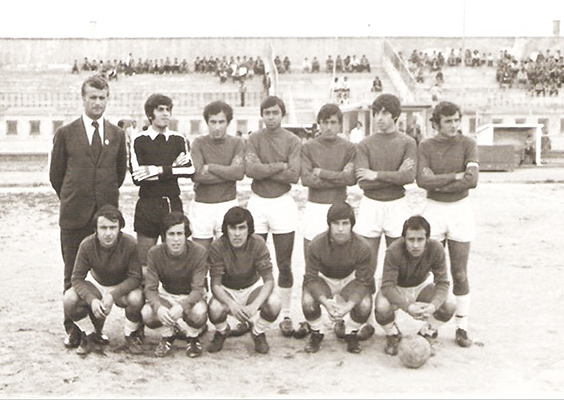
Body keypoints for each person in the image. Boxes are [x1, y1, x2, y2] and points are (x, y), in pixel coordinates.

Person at [50, 74, 127, 349]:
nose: (97, 102)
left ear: (107, 99)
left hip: (104, 218)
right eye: (92, 97)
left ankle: (96, 330)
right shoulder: (66, 133)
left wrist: (103, 205)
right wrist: (74, 198)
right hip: (74, 216)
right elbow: (56, 175)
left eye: (102, 97)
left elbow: (119, 174)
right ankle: (74, 330)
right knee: (73, 274)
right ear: (83, 99)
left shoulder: (116, 134)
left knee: (100, 275)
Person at [416, 101, 479, 348]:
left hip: (460, 209)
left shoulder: (468, 144)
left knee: (459, 272)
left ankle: (462, 326)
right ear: (436, 123)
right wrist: (454, 177)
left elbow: (471, 180)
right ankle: (431, 325)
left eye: (456, 120)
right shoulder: (426, 146)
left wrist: (439, 182)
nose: (454, 125)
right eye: (448, 121)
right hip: (433, 209)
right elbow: (423, 181)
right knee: (431, 271)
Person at [245, 95, 301, 337]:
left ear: (282, 114)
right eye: (267, 113)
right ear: (262, 115)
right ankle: (250, 313)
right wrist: (280, 165)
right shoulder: (254, 138)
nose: (271, 117)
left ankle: (286, 314)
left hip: (282, 203)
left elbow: (294, 175)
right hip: (257, 203)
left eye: (275, 113)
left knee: (284, 263)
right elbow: (250, 170)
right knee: (252, 262)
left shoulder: (293, 140)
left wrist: (265, 170)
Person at [63, 205, 144, 356]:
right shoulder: (87, 245)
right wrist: (92, 299)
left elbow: (135, 277)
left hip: (121, 287)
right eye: (103, 228)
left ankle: (130, 334)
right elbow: (77, 278)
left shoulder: (130, 243)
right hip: (97, 284)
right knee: (69, 298)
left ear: (120, 228)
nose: (108, 233)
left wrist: (113, 295)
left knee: (136, 298)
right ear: (95, 229)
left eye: (113, 227)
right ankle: (89, 335)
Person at [130, 94, 195, 275]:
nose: (166, 114)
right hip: (147, 204)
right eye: (160, 110)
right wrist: (173, 167)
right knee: (145, 264)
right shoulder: (139, 140)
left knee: (175, 260)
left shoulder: (178, 139)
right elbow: (137, 177)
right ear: (150, 114)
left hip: (172, 203)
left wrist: (157, 170)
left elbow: (189, 171)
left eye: (168, 110)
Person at [375, 216, 456, 356]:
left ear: (427, 239)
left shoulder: (436, 248)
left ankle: (427, 332)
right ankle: (393, 334)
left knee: (450, 303)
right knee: (382, 306)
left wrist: (433, 306)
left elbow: (443, 283)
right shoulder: (394, 250)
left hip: (421, 285)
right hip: (397, 287)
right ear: (403, 239)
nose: (415, 245)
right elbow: (387, 286)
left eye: (420, 239)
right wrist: (408, 307)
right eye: (411, 239)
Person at [354, 94, 417, 273]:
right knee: (366, 263)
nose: (379, 118)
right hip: (370, 204)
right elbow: (363, 182)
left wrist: (376, 175)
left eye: (384, 113)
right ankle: (367, 293)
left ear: (395, 115)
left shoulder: (408, 143)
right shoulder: (364, 144)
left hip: (397, 204)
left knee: (398, 262)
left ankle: (391, 292)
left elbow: (409, 177)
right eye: (376, 113)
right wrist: (396, 174)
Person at [301, 202, 375, 354]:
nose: (340, 228)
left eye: (345, 223)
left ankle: (351, 332)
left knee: (365, 304)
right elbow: (310, 278)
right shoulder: (316, 244)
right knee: (308, 301)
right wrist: (325, 302)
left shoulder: (363, 246)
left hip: (349, 279)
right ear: (329, 224)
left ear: (352, 224)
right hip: (324, 278)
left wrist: (348, 306)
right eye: (336, 223)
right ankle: (317, 332)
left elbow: (363, 281)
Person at [207, 207, 281, 354]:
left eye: (242, 228)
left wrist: (254, 305)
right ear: (226, 229)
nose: (237, 233)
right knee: (214, 308)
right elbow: (215, 285)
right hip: (228, 289)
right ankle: (222, 331)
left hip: (251, 287)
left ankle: (257, 332)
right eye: (232, 228)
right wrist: (232, 304)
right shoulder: (217, 246)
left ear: (249, 229)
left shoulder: (258, 243)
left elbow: (269, 280)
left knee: (274, 302)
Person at [141, 212, 208, 358]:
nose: (176, 239)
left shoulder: (199, 252)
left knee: (199, 312)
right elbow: (150, 289)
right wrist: (159, 308)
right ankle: (168, 335)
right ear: (164, 236)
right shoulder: (154, 253)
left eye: (180, 234)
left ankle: (193, 337)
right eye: (171, 234)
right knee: (147, 313)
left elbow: (198, 290)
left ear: (186, 235)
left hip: (190, 295)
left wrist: (182, 307)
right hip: (167, 293)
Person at [189, 100, 245, 253]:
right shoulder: (198, 142)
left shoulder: (237, 143)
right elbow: (196, 175)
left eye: (221, 122)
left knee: (229, 256)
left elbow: (238, 173)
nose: (217, 127)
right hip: (202, 205)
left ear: (228, 123)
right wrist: (228, 173)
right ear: (207, 123)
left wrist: (211, 167)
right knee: (200, 255)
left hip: (228, 203)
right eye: (213, 122)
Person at [300, 104, 356, 259]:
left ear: (340, 124)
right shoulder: (308, 147)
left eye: (333, 122)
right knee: (311, 253)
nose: (329, 127)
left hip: (340, 207)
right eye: (325, 123)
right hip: (315, 206)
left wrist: (322, 173)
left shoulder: (349, 148)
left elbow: (351, 179)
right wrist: (339, 177)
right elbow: (306, 179)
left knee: (340, 254)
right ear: (319, 124)